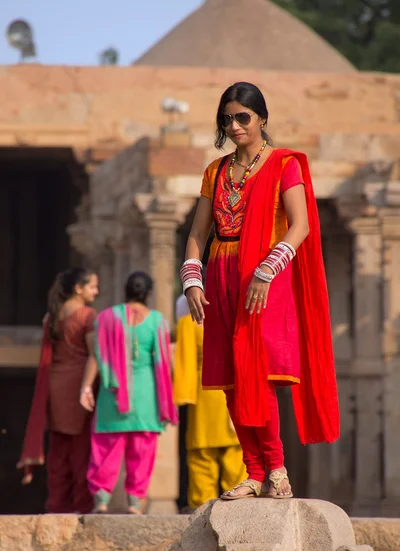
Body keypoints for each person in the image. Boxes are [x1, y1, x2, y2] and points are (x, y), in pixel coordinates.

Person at [180, 82, 340, 501]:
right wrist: (192, 278)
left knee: (257, 373)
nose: (234, 126)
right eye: (227, 118)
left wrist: (268, 269)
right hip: (220, 274)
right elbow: (198, 232)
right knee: (231, 379)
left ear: (261, 118)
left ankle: (276, 468)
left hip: (262, 278)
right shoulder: (216, 171)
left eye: (242, 117)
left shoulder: (284, 164)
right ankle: (253, 473)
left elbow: (300, 224)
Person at [80, 271, 178, 514]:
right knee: (142, 451)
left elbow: (96, 355)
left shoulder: (106, 317)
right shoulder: (157, 321)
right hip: (146, 396)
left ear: (125, 290)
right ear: (148, 294)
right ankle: (135, 502)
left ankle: (101, 499)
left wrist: (85, 387)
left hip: (113, 395)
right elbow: (165, 362)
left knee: (106, 448)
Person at [18, 268, 99, 513]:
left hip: (55, 385)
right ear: (78, 288)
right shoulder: (87, 315)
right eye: (93, 286)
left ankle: (56, 507)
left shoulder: (54, 314)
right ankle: (80, 508)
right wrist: (87, 387)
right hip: (77, 384)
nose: (96, 291)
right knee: (80, 448)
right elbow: (94, 355)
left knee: (59, 448)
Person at [174, 293, 246, 509]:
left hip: (204, 394)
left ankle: (201, 507)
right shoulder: (235, 319)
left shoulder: (188, 322)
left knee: (202, 455)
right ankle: (238, 508)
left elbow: (185, 362)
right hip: (232, 390)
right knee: (235, 453)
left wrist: (182, 396)